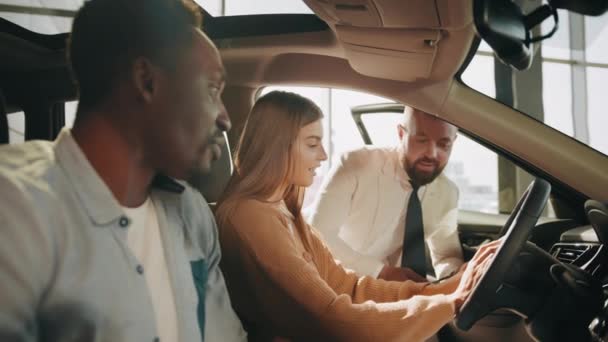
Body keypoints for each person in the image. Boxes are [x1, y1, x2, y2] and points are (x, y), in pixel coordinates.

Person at [0, 0, 245, 341]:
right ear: (146, 81)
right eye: (212, 89)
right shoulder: (16, 208)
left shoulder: (192, 214)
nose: (225, 117)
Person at [216, 91, 498, 341]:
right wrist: (450, 303)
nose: (323, 155)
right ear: (277, 147)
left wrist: (452, 285)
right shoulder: (250, 216)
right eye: (313, 144)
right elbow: (331, 317)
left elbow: (350, 287)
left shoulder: (285, 213)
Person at [309, 106, 463, 282]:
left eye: (443, 144)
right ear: (401, 134)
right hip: (325, 276)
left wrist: (453, 279)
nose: (432, 153)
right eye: (421, 140)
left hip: (386, 290)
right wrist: (381, 272)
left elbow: (446, 256)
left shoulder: (447, 192)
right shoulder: (356, 164)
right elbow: (318, 235)